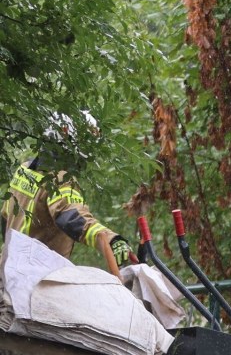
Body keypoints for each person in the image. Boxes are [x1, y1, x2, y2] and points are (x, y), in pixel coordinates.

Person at [2, 113, 136, 267]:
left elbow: (5, 218)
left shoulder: (24, 170)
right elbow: (72, 217)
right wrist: (112, 240)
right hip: (39, 277)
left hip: (10, 268)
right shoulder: (60, 180)